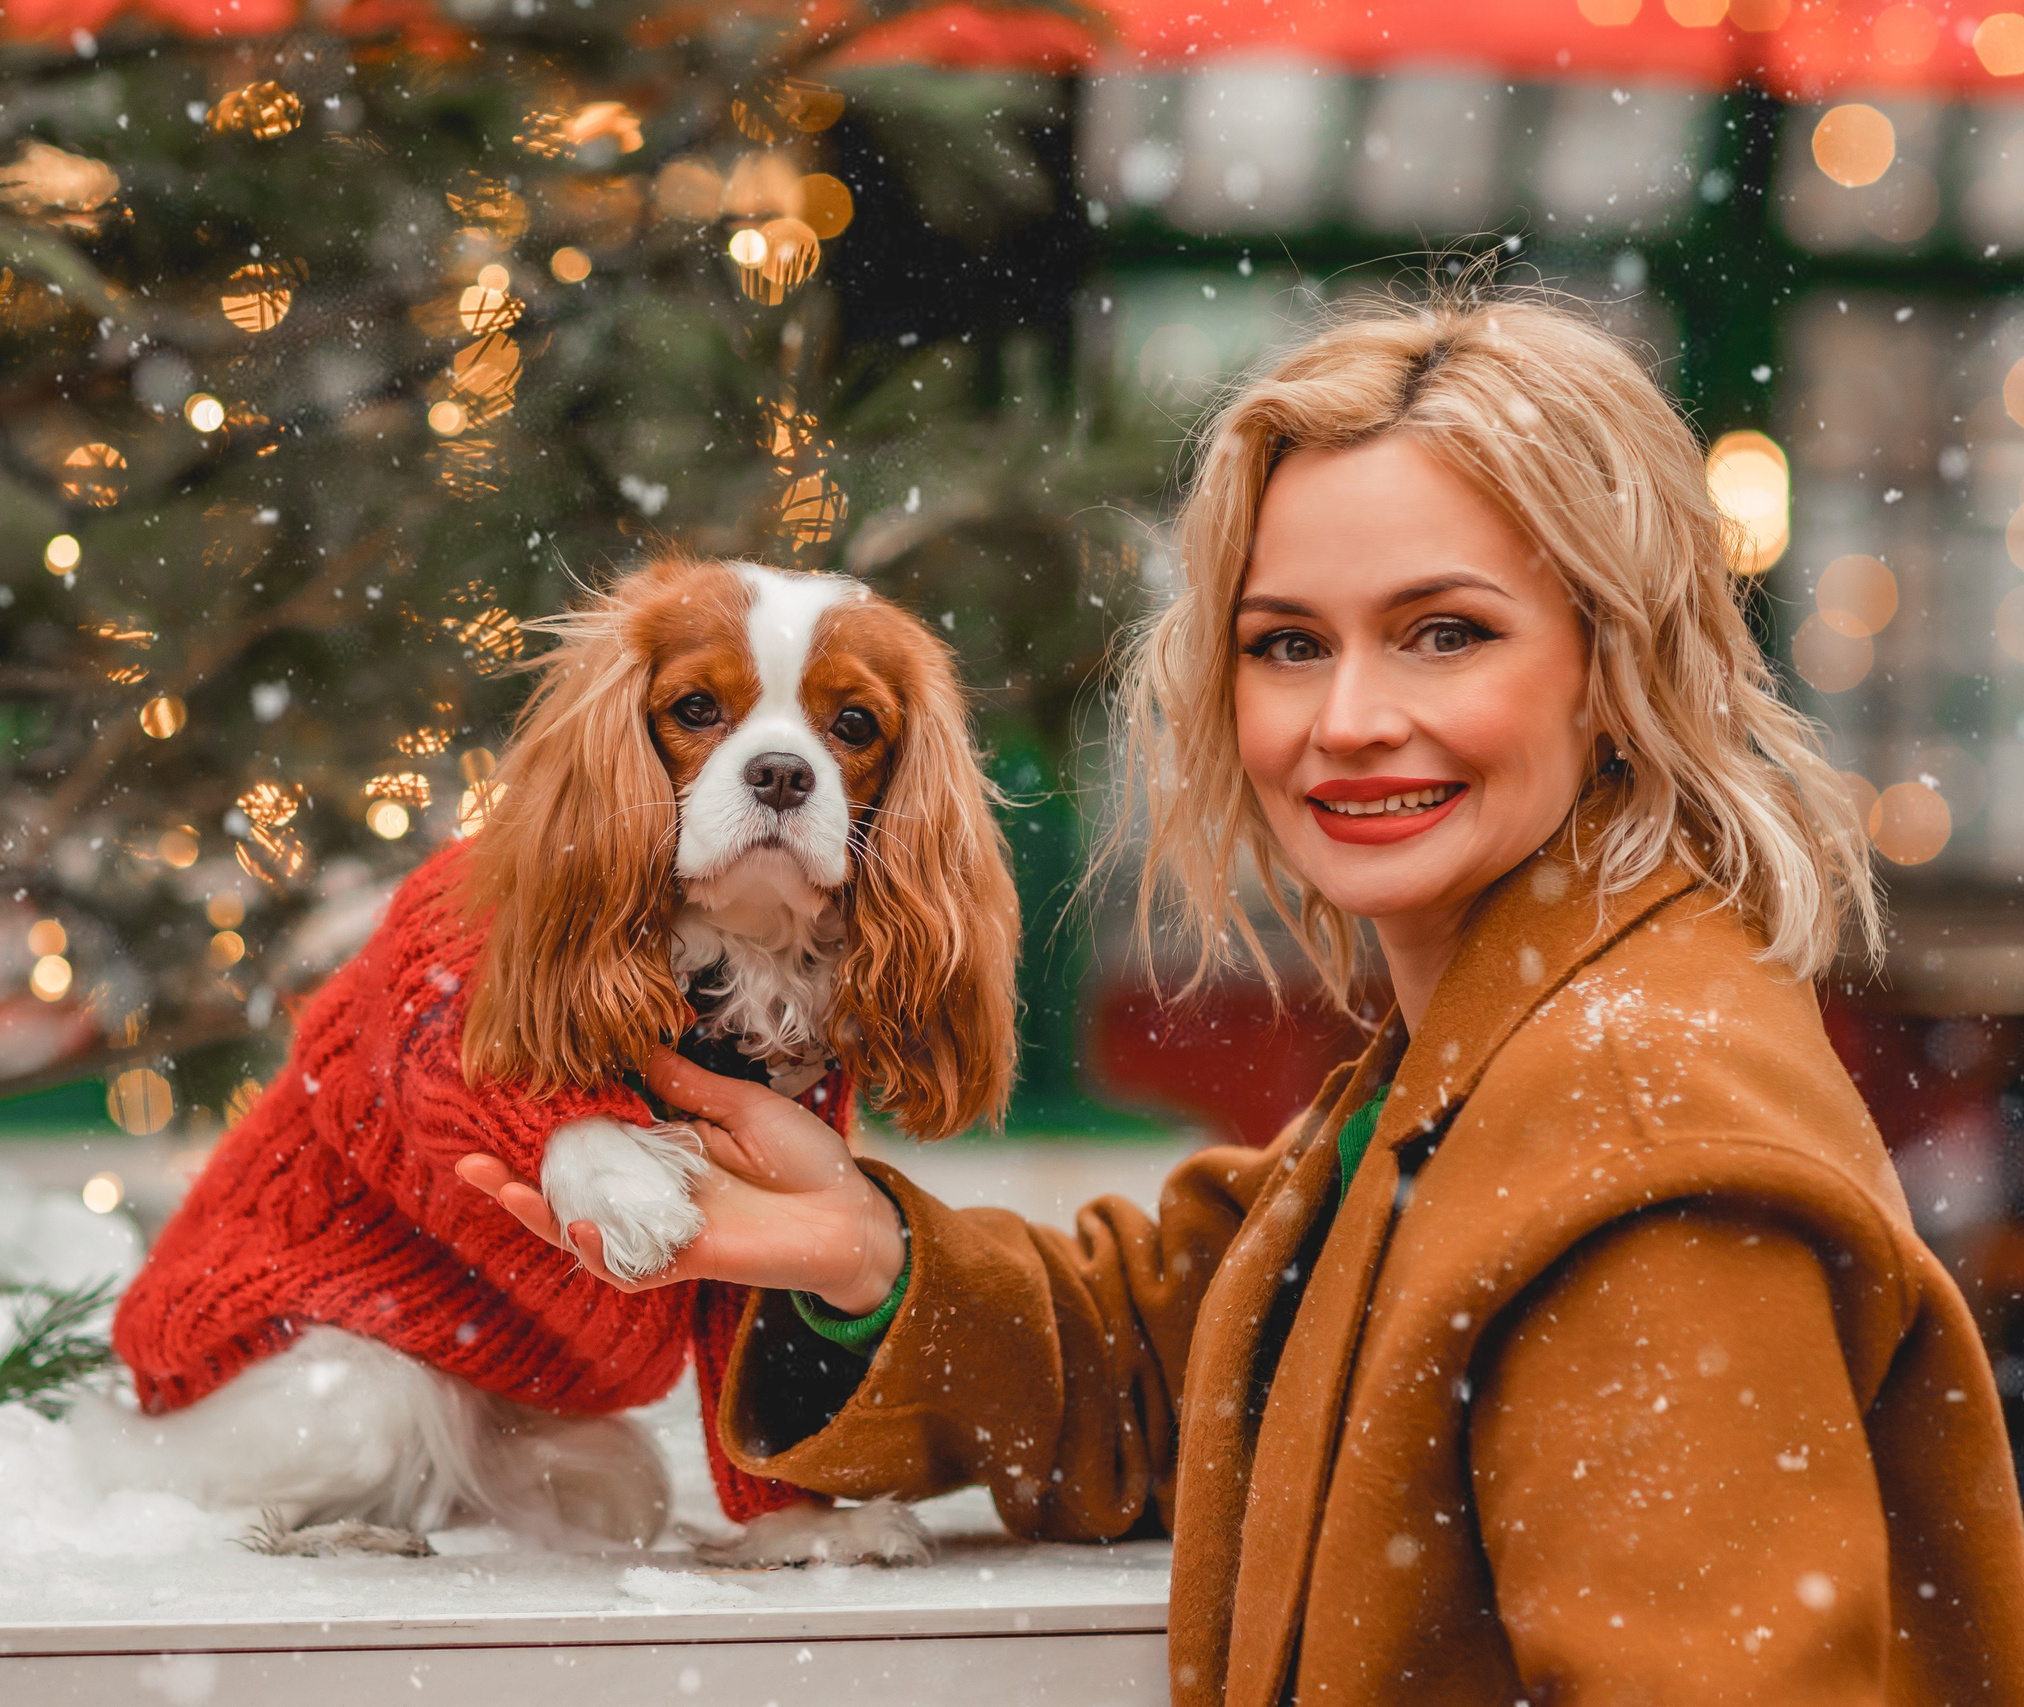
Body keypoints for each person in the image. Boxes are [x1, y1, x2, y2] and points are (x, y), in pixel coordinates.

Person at [457, 294, 2024, 1703]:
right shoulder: (1501, 1039)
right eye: (1286, 644)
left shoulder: (1638, 1137)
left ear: (1618, 671)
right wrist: (868, 1257)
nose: (1348, 719)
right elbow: (1198, 1367)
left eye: (1446, 633)